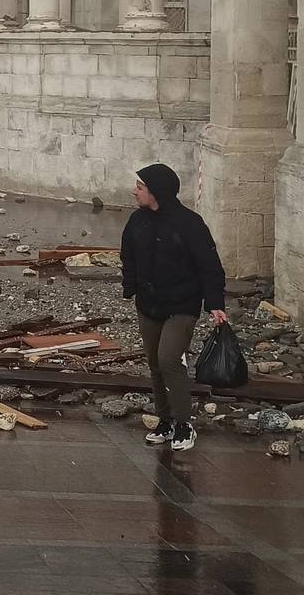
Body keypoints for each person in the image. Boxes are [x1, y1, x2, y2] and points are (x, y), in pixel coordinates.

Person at [120, 162, 226, 452]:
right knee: (154, 362)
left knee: (169, 359)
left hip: (182, 303)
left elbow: (209, 266)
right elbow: (127, 255)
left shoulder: (189, 223)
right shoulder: (137, 221)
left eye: (140, 187)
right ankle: (165, 421)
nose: (135, 192)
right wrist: (130, 287)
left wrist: (215, 303)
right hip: (149, 303)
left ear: (155, 191)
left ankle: (183, 423)